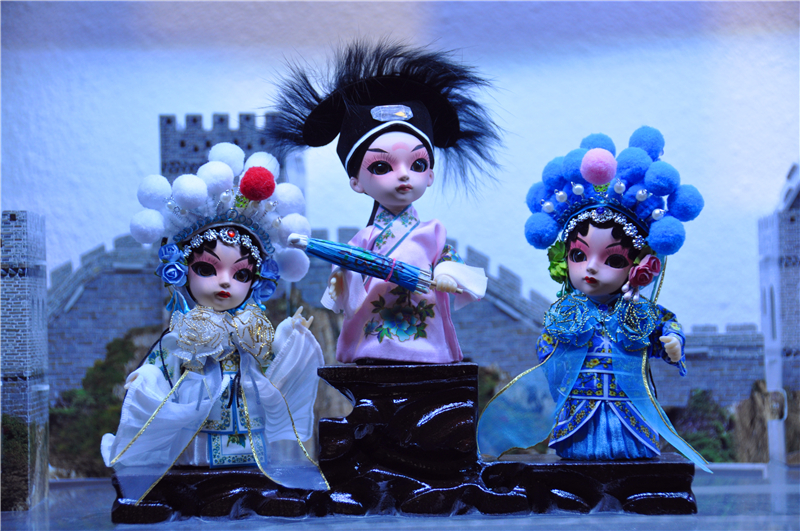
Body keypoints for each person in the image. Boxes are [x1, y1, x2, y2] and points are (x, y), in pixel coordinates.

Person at [102, 143, 328, 503]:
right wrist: (145, 377)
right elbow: (162, 363)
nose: (225, 282)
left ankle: (249, 479)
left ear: (256, 280)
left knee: (251, 473)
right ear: (182, 270)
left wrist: (291, 336)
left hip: (247, 413)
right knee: (194, 468)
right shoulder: (183, 329)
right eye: (208, 269)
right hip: (196, 420)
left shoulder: (253, 325)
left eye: (240, 274)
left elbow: (273, 364)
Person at [477, 127, 711, 472]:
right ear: (563, 259)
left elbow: (666, 327)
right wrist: (556, 355)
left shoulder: (639, 311)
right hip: (579, 408)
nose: (591, 268)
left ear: (639, 266)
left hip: (630, 409)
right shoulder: (565, 312)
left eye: (612, 259)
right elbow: (546, 349)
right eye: (579, 255)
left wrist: (672, 343)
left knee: (634, 468)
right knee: (577, 470)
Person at [267, 41, 500, 364]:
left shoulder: (432, 231)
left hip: (425, 326)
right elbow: (345, 277)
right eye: (381, 167)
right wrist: (343, 273)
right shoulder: (365, 239)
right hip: (376, 332)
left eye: (417, 164)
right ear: (356, 181)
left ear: (430, 175)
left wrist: (446, 271)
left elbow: (446, 257)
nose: (403, 175)